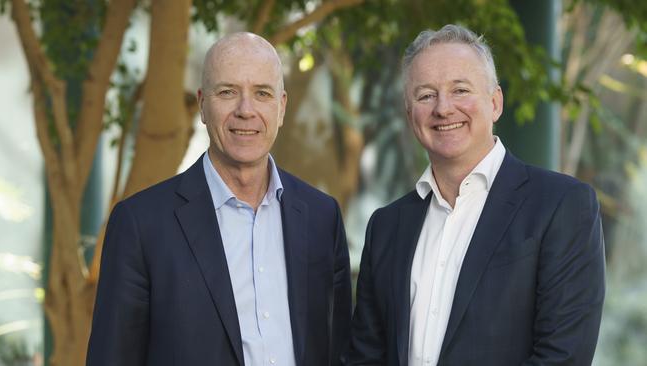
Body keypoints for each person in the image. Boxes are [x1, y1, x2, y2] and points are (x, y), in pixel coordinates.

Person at [342, 24, 605, 366]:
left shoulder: (562, 205)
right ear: (410, 116)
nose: (443, 108)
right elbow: (364, 357)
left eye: (460, 90)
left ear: (495, 103)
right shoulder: (387, 226)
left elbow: (562, 357)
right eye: (425, 95)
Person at [87, 32, 352, 366]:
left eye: (262, 93)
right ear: (202, 104)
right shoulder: (141, 225)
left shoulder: (321, 217)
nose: (246, 110)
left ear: (281, 107)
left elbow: (340, 351)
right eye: (228, 92)